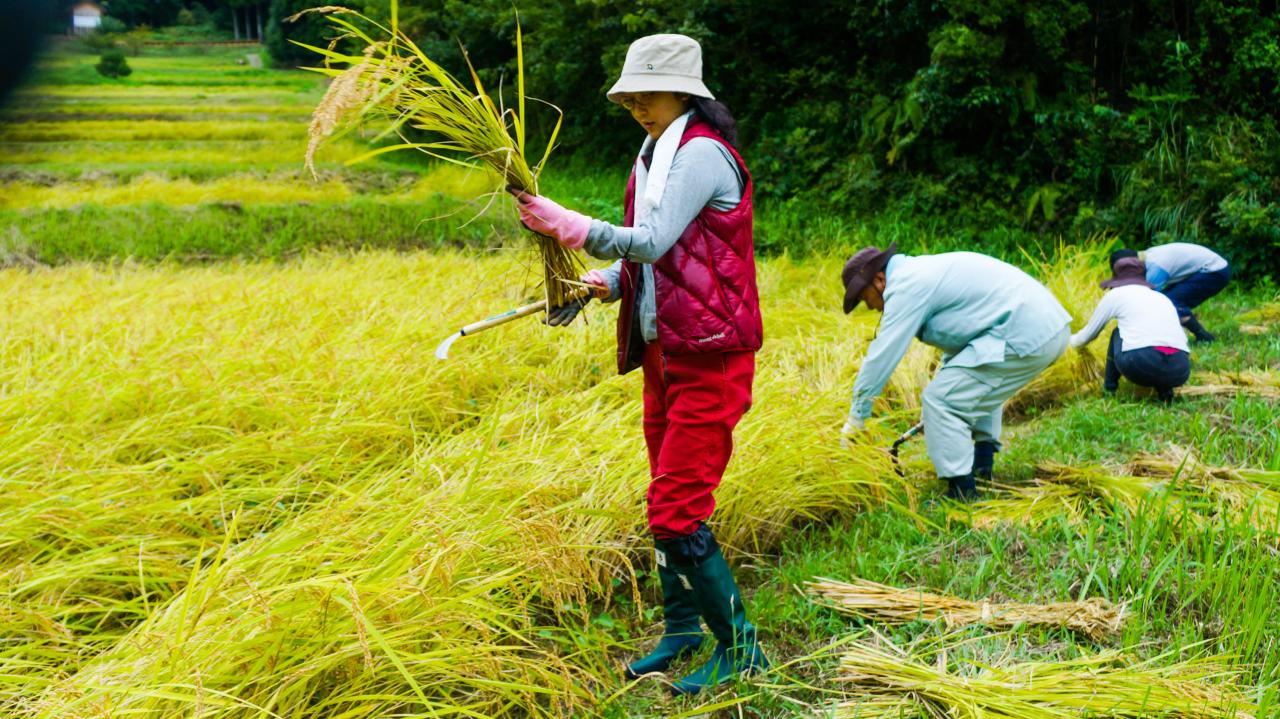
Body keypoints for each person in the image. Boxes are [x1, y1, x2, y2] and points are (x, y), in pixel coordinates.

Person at [509, 34, 767, 695]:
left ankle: (741, 650)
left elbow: (653, 241)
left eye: (645, 95)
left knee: (678, 507)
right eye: (629, 100)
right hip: (663, 351)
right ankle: (682, 629)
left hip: (710, 355)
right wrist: (604, 281)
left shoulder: (704, 155)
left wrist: (561, 222)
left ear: (683, 91)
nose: (636, 108)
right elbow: (652, 261)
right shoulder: (651, 156)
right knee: (663, 496)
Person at [839, 246, 1071, 500]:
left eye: (865, 298)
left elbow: (883, 353)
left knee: (941, 401)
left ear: (879, 280)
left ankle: (962, 494)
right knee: (966, 385)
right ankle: (982, 467)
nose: (871, 307)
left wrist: (856, 418)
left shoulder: (907, 286)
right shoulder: (921, 273)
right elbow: (968, 345)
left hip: (1025, 330)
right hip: (1045, 328)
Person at [1070, 257, 1191, 402]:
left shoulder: (1115, 295)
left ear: (1117, 280)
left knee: (1117, 333)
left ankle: (1109, 390)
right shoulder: (1162, 298)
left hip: (1140, 365)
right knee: (1160, 343)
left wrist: (1067, 344)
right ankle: (1165, 392)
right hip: (1180, 370)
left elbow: (1087, 336)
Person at [1110, 242, 1230, 343]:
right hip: (1210, 268)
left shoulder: (1156, 268)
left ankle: (1204, 337)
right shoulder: (1144, 257)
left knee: (1170, 303)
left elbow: (1146, 299)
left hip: (1215, 271)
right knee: (1167, 300)